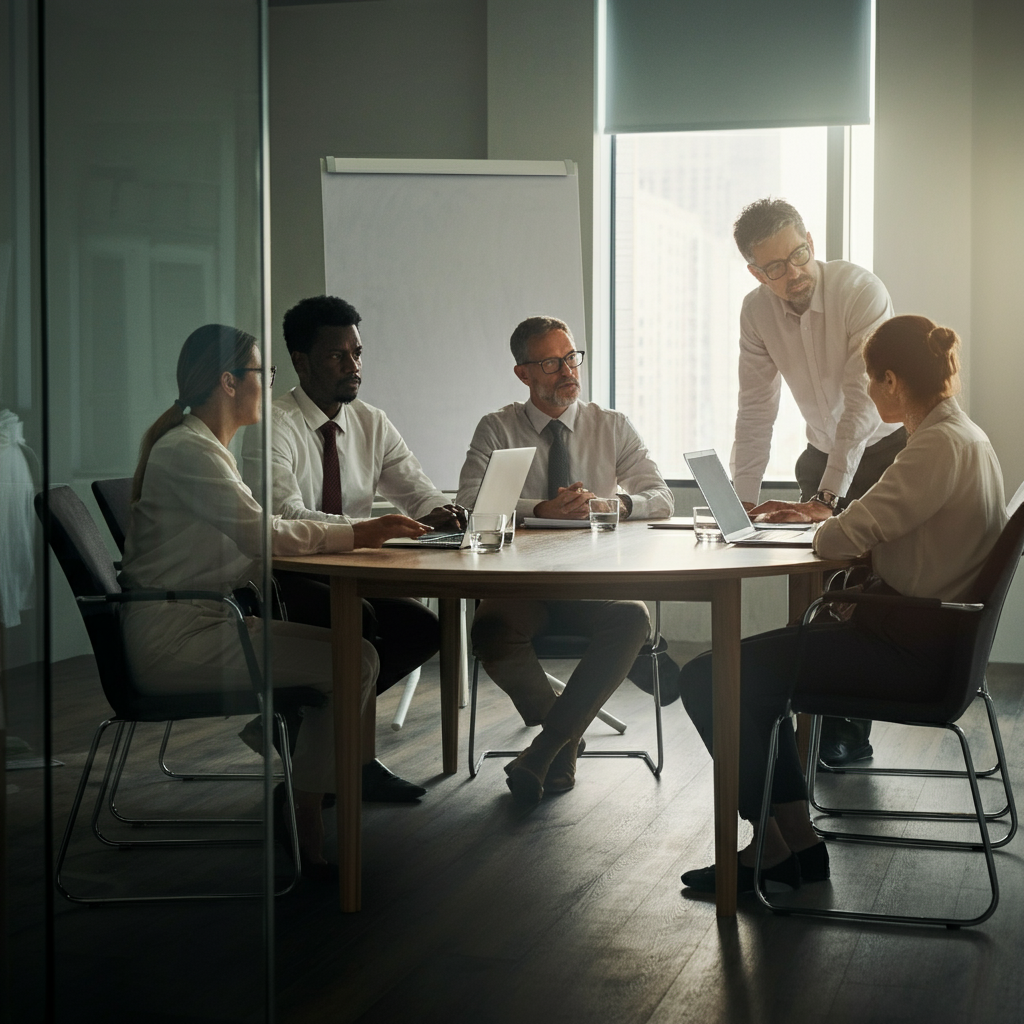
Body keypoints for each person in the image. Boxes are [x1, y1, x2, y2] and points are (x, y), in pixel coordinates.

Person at [677, 314, 1006, 894]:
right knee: (748, 680)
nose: (867, 392)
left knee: (710, 675)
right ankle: (792, 843)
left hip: (905, 651)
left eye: (869, 381)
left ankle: (775, 847)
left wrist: (833, 520)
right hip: (932, 642)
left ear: (892, 382)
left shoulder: (933, 447)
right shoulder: (965, 436)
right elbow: (875, 530)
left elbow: (837, 539)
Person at [119, 324, 428, 878]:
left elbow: (264, 534)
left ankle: (304, 794)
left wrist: (352, 532)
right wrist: (359, 533)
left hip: (204, 621)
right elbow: (265, 536)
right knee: (355, 658)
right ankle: (303, 815)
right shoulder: (191, 451)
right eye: (264, 373)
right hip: (175, 639)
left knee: (356, 653)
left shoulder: (201, 446)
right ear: (229, 382)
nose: (269, 384)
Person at [241, 295, 467, 801]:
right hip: (285, 575)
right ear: (301, 361)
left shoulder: (371, 421)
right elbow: (286, 517)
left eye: (358, 353)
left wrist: (440, 511)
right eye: (337, 355)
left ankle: (308, 729)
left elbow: (418, 487)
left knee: (423, 628)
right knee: (358, 621)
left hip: (350, 573)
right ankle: (347, 760)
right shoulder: (271, 425)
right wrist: (370, 528)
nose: (353, 366)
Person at [456, 315, 675, 805]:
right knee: (490, 630)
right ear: (524, 374)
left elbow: (661, 497)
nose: (567, 371)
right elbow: (472, 505)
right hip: (519, 588)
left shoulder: (610, 425)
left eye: (572, 357)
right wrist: (540, 511)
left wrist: (615, 504)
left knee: (632, 618)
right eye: (551, 363)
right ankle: (565, 738)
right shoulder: (497, 427)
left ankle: (548, 746)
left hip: (590, 583)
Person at [731, 197, 905, 766]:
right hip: (820, 454)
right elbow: (756, 408)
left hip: (882, 451)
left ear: (809, 238)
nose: (793, 272)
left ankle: (847, 732)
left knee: (861, 592)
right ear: (756, 272)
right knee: (814, 590)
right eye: (775, 267)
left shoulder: (859, 290)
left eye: (799, 254)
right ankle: (804, 708)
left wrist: (830, 499)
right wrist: (742, 499)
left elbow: (860, 403)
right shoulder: (756, 311)